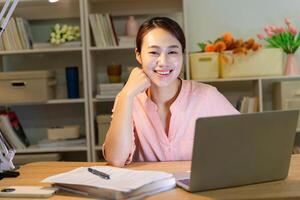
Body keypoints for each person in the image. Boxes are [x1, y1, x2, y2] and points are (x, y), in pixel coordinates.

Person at [103, 17, 239, 167]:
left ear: (182, 54)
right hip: (147, 190)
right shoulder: (128, 99)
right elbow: (115, 160)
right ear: (138, 55)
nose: (164, 62)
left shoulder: (207, 96)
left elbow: (245, 141)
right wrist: (126, 94)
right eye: (154, 52)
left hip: (195, 189)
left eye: (172, 52)